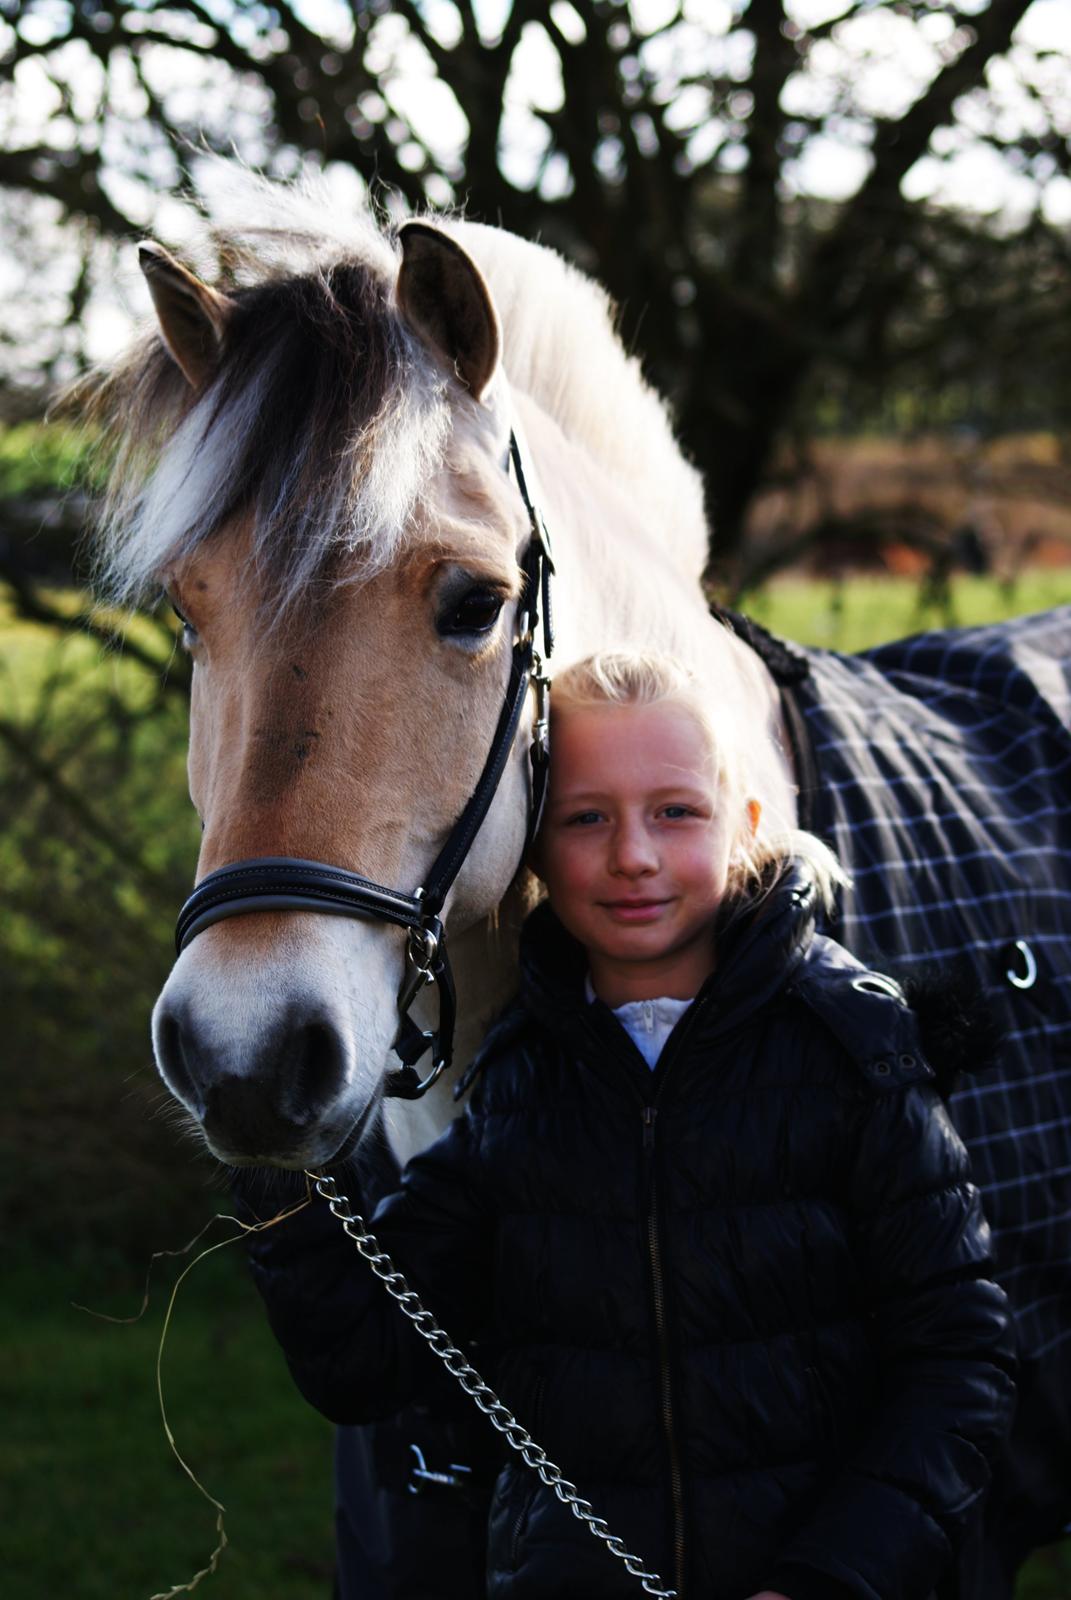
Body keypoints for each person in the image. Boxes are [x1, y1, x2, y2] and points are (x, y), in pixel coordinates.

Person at [240, 650, 1015, 1600]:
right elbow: (364, 1361)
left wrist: (832, 1578)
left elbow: (957, 1364)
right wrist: (273, 1137)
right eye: (585, 818)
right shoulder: (519, 1084)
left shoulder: (856, 1053)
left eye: (675, 811)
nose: (633, 856)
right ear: (533, 850)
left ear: (746, 824)